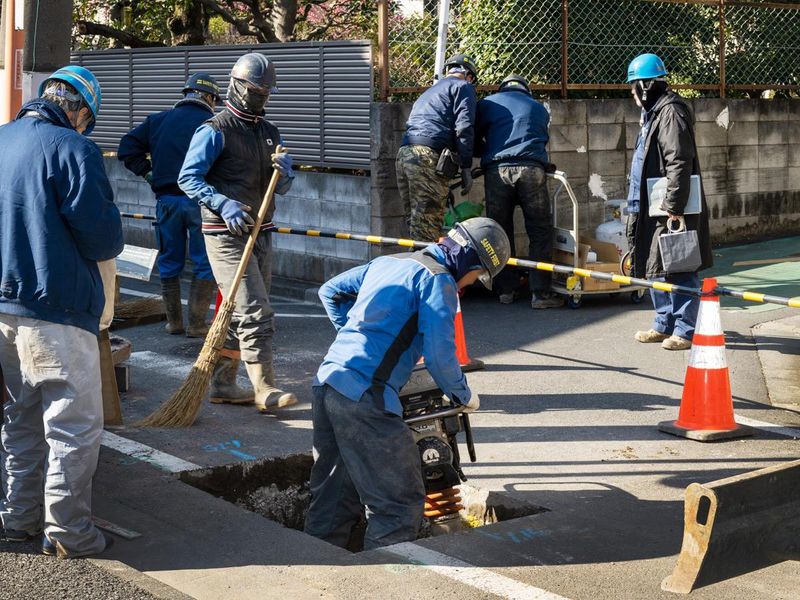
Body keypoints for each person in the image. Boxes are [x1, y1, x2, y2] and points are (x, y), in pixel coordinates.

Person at [304, 217, 510, 550]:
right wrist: (464, 394)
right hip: (365, 396)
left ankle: (318, 574)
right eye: (478, 274)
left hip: (328, 383)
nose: (471, 283)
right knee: (398, 506)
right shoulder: (439, 281)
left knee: (334, 499)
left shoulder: (391, 261)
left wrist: (353, 337)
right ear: (469, 259)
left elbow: (330, 290)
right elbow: (441, 357)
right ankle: (385, 581)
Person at [0, 66, 123, 557]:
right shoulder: (74, 149)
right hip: (57, 311)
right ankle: (69, 532)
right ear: (78, 110)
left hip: (2, 312)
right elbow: (103, 238)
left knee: (19, 421)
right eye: (85, 118)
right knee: (73, 425)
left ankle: (16, 519)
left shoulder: (2, 141)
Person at [178, 53, 297, 411]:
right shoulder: (215, 130)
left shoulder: (268, 132)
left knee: (237, 310)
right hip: (225, 233)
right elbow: (188, 178)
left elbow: (283, 188)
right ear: (236, 85)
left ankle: (224, 382)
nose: (260, 96)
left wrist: (287, 173)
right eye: (254, 89)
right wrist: (221, 202)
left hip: (262, 231)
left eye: (265, 91)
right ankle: (265, 388)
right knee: (255, 310)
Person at [118, 73, 221, 337]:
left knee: (169, 262)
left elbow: (127, 146)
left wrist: (148, 172)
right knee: (203, 262)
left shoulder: (158, 121)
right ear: (209, 98)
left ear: (186, 94)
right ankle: (197, 324)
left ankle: (174, 322)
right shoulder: (214, 124)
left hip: (166, 202)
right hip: (201, 203)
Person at [625, 53, 712, 351]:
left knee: (679, 262)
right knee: (654, 264)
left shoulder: (671, 112)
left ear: (646, 85)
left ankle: (685, 329)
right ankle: (664, 323)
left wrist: (674, 203)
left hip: (669, 204)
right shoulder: (653, 113)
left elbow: (679, 160)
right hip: (649, 201)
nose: (632, 93)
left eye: (634, 86)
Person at [474, 74, 563, 309]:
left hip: (497, 171)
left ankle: (506, 290)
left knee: (498, 232)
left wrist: (486, 152)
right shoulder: (539, 108)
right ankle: (540, 294)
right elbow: (541, 138)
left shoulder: (488, 104)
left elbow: (474, 134)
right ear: (526, 90)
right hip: (532, 170)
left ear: (502, 88)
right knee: (539, 230)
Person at [396, 54, 479, 242]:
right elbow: (464, 126)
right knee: (428, 224)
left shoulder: (430, 91)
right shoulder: (463, 87)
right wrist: (466, 166)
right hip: (427, 155)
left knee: (415, 222)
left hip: (405, 153)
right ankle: (426, 269)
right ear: (468, 75)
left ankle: (415, 264)